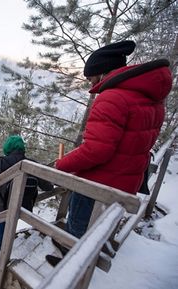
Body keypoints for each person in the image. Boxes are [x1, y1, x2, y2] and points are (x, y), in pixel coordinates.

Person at [46, 40, 172, 266]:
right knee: (100, 226)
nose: (89, 82)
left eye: (90, 76)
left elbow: (96, 150)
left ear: (102, 71)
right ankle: (82, 252)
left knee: (79, 223)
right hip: (125, 181)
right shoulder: (151, 99)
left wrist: (62, 164)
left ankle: (71, 263)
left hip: (99, 183)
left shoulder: (112, 97)